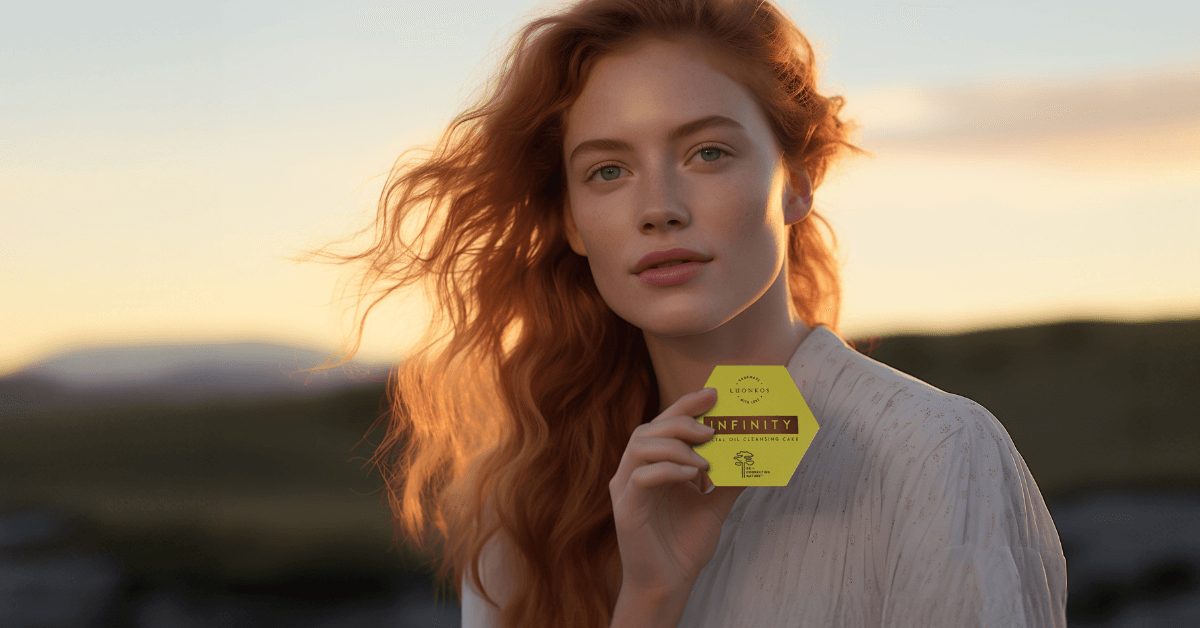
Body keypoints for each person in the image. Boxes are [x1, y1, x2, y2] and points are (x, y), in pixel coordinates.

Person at [324, 0, 1068, 625]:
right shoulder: (523, 510)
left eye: (707, 153)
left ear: (796, 183)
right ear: (575, 223)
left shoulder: (937, 452)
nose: (658, 209)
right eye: (608, 171)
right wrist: (650, 598)